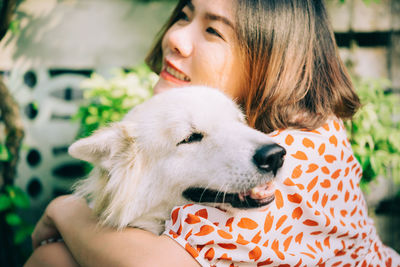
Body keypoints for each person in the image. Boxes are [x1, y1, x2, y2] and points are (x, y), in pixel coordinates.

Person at [25, 0, 400, 266]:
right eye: (185, 15)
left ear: (270, 55)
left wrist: (66, 210)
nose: (175, 37)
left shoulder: (299, 152)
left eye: (212, 30)